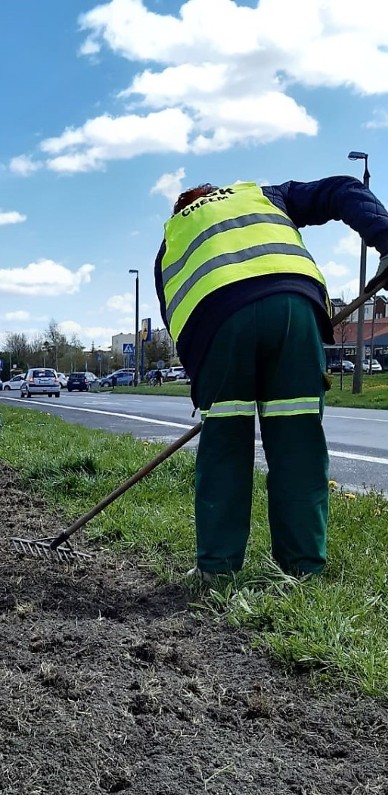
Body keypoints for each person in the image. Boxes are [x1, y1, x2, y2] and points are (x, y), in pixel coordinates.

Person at [154, 177, 388, 581]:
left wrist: (208, 392)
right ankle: (303, 569)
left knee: (225, 445)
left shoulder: (171, 242)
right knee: (299, 442)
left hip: (216, 321)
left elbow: (176, 320)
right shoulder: (260, 194)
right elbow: (344, 189)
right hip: (293, 304)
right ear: (216, 193)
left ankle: (217, 569)